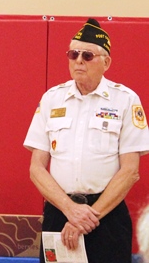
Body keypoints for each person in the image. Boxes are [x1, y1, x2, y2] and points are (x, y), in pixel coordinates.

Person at [23, 18, 149, 263]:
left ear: (106, 62)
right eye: (73, 54)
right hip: (60, 213)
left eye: (87, 56)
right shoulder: (52, 99)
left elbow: (131, 171)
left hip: (106, 216)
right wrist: (70, 211)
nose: (78, 60)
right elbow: (36, 168)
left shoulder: (125, 100)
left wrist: (88, 217)